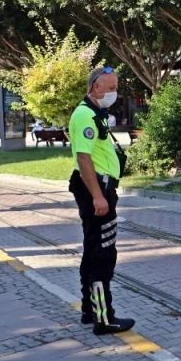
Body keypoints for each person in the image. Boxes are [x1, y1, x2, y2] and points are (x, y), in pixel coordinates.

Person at [68, 66, 135, 336]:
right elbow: (84, 159)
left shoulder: (94, 113)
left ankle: (89, 310)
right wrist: (98, 196)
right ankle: (104, 318)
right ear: (96, 87)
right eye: (110, 88)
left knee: (93, 250)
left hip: (100, 188)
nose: (114, 93)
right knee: (103, 256)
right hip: (97, 190)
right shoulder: (85, 115)